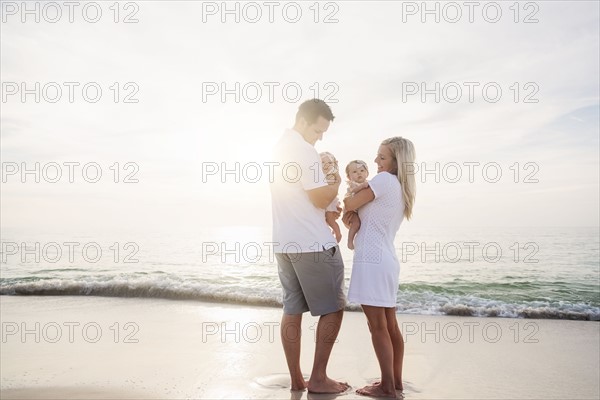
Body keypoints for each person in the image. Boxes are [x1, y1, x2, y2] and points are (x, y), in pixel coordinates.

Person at [270, 99, 348, 394]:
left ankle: (296, 379)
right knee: (334, 308)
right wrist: (337, 183)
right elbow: (317, 197)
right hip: (312, 243)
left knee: (292, 309)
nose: (320, 137)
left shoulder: (277, 147)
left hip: (284, 241)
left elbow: (299, 198)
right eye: (318, 130)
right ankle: (318, 378)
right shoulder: (304, 150)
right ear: (303, 122)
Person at [343, 137, 416, 398]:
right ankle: (395, 382)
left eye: (382, 157)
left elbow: (349, 204)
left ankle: (386, 387)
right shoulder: (399, 186)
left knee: (377, 327)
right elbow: (361, 212)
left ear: (397, 162)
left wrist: (350, 209)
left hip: (371, 261)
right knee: (390, 326)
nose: (375, 161)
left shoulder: (384, 180)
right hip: (386, 260)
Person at [344, 160, 369, 250]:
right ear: (349, 177)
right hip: (350, 212)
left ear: (367, 173)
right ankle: (350, 241)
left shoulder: (369, 183)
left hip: (357, 210)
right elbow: (353, 192)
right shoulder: (353, 185)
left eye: (362, 171)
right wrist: (362, 187)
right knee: (356, 223)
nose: (359, 173)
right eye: (354, 172)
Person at [320, 151, 342, 243]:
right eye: (323, 162)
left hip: (331, 201)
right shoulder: (320, 175)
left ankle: (338, 234)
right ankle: (332, 230)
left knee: (330, 219)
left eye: (329, 163)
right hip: (326, 200)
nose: (326, 165)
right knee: (326, 219)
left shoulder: (331, 175)